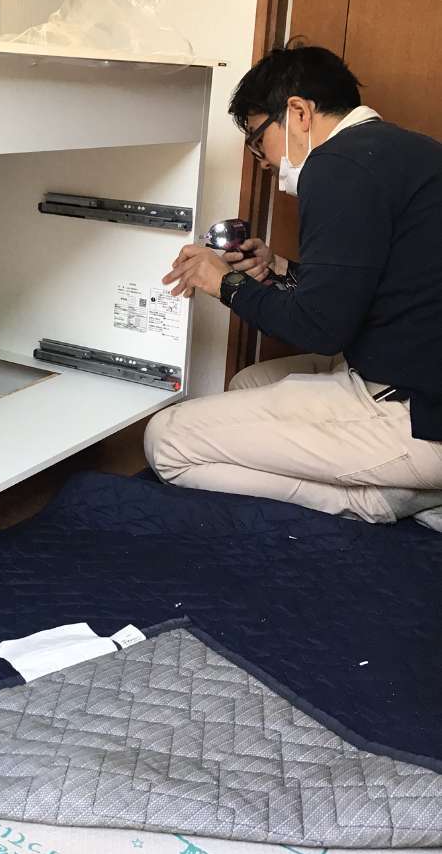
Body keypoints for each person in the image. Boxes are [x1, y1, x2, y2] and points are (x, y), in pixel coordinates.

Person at [144, 44, 442, 523]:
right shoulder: (404, 151)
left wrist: (224, 283)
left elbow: (320, 328)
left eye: (258, 139)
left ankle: (380, 499)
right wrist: (281, 269)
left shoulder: (337, 165)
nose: (263, 160)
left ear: (299, 112)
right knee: (246, 383)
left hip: (419, 415)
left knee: (166, 442)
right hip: (409, 375)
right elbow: (371, 286)